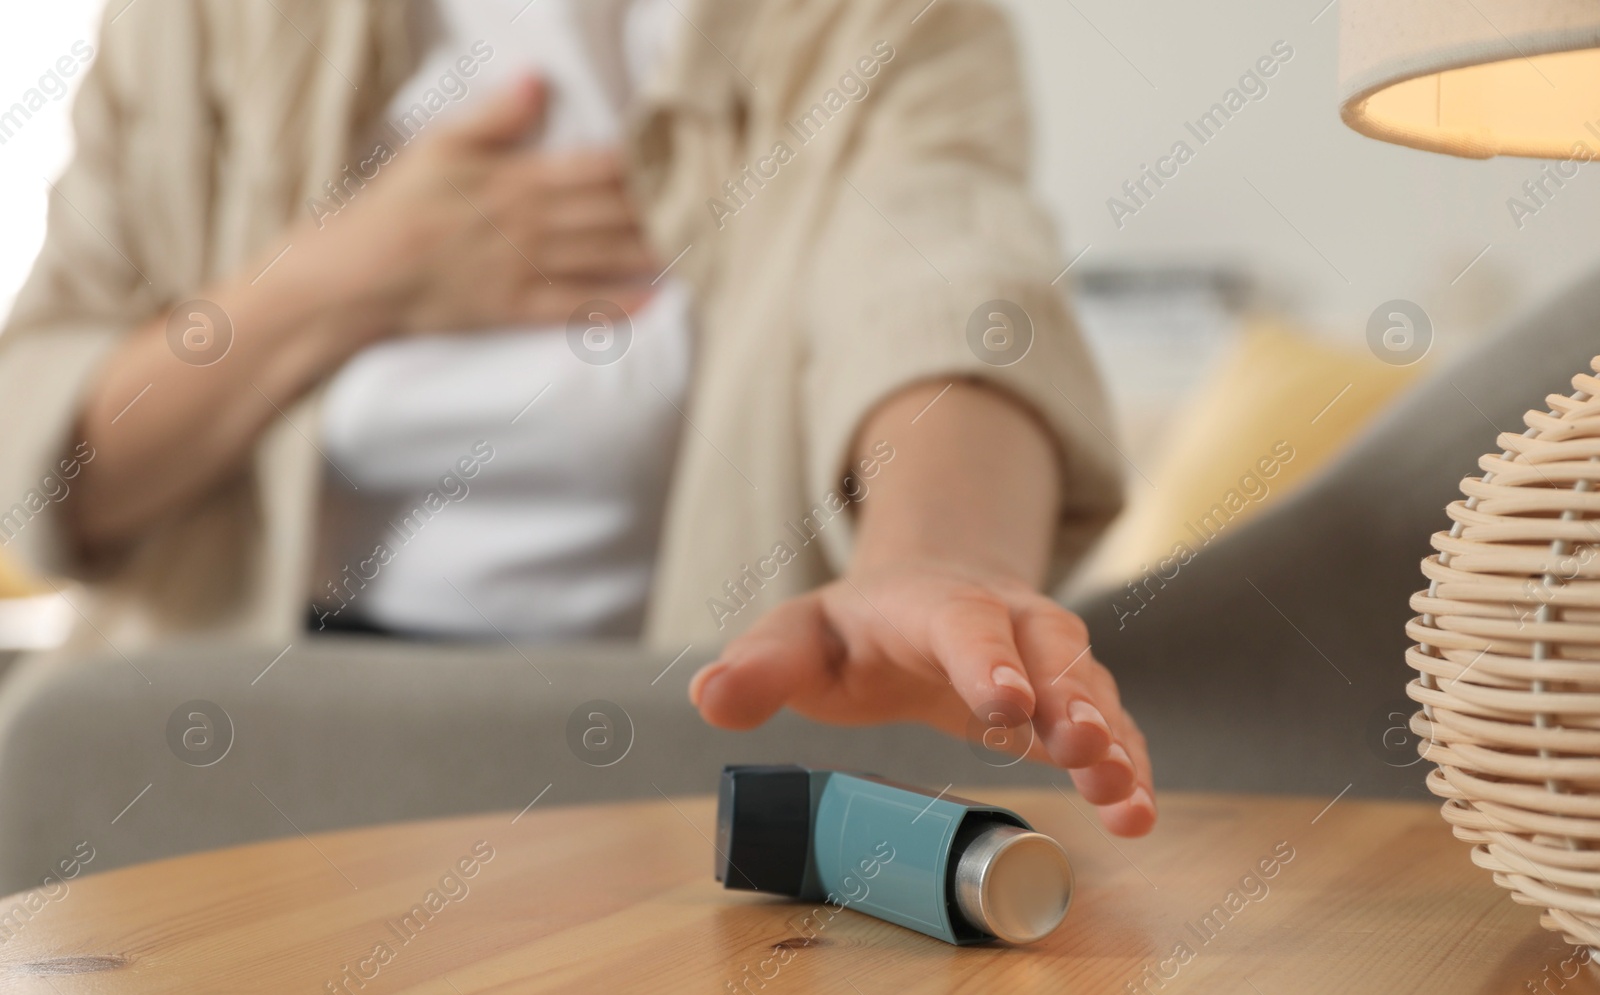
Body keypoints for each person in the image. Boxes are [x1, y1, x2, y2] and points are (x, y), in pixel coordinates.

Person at [0, 0, 1154, 835]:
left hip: (644, 768)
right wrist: (356, 274)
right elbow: (47, 463)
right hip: (226, 756)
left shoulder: (878, 23)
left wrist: (936, 558)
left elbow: (947, 280)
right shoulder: (190, 22)